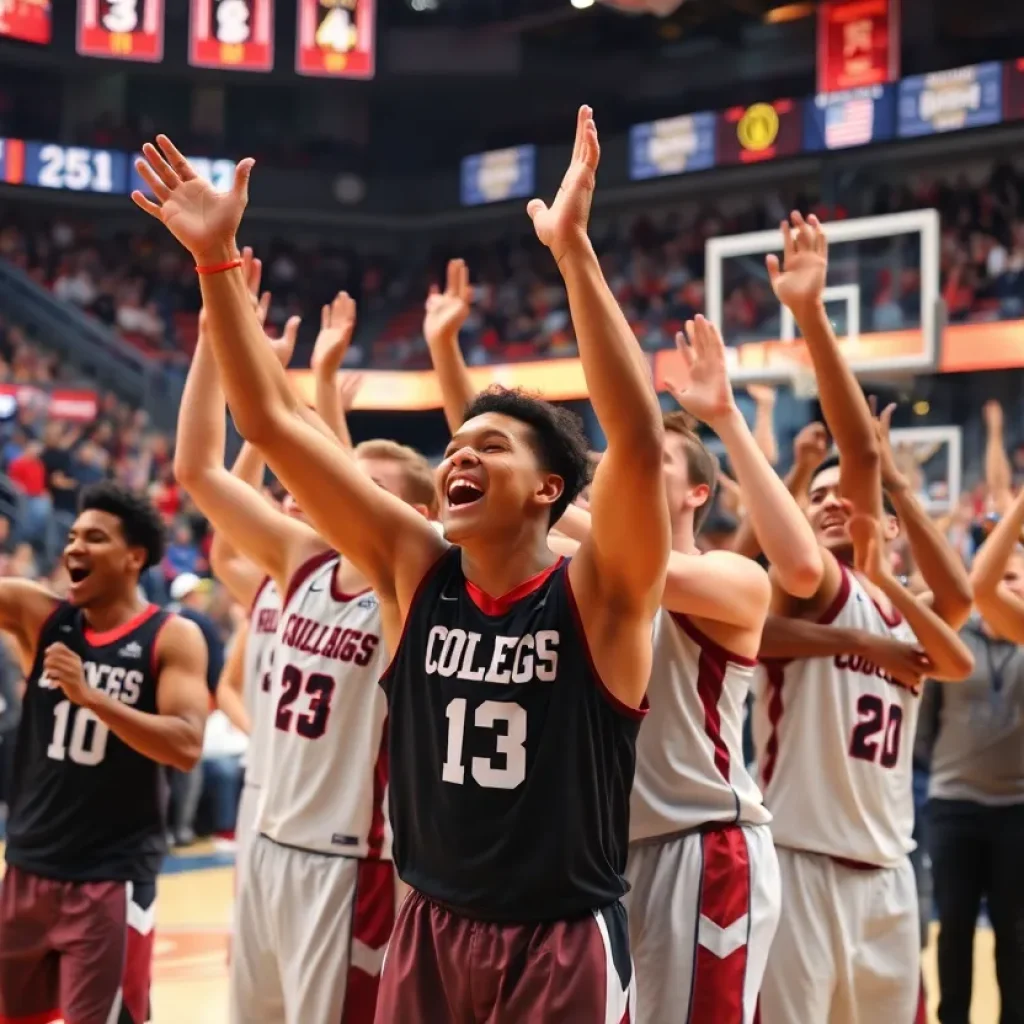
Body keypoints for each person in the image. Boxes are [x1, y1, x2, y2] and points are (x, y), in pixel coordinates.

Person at [133, 107, 669, 1021]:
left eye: (491, 447)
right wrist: (216, 263)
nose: (461, 456)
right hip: (427, 922)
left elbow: (641, 447)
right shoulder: (415, 569)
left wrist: (574, 252)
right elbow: (263, 423)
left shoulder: (600, 593)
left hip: (558, 934)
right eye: (455, 445)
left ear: (549, 491)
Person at [175, 274, 436, 1023]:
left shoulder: (412, 591)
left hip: (354, 859)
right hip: (266, 840)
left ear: (411, 515)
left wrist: (317, 389)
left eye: (364, 487)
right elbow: (197, 470)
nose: (334, 494)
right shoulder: (301, 561)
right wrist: (209, 343)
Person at [750, 213, 975, 1024]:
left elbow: (958, 616)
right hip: (802, 858)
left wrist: (894, 529)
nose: (834, 502)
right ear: (796, 528)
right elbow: (858, 450)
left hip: (886, 866)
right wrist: (807, 317)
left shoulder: (882, 595)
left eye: (843, 499)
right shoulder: (810, 589)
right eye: (815, 502)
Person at [0, 482, 209, 1024]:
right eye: (71, 537)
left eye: (95, 538)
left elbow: (186, 746)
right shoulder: (38, 614)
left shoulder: (173, 636)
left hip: (109, 880)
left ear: (133, 557)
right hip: (28, 868)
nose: (74, 547)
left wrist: (92, 697)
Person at [918, 484, 1024, 1024]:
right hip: (955, 800)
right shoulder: (955, 635)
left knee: (1015, 934)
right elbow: (927, 716)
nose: (1003, 588)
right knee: (953, 927)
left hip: (1017, 810)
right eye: (1000, 578)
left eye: (1014, 579)